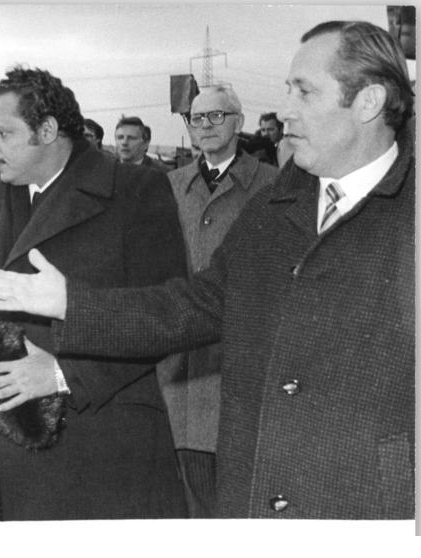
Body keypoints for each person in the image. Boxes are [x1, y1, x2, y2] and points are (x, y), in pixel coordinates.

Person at [0, 21, 414, 519]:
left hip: (370, 510)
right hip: (258, 501)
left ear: (369, 102)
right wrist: (71, 304)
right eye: (288, 89)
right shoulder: (274, 207)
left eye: (304, 91)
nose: (285, 109)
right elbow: (196, 305)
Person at [0, 66, 188, 520]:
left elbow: (165, 314)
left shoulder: (134, 193)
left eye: (2, 132)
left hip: (94, 445)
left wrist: (60, 374)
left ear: (47, 130)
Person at [167, 85, 279, 517]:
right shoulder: (171, 185)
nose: (207, 126)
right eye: (198, 119)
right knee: (190, 493)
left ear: (239, 122)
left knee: (240, 493)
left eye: (218, 116)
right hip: (181, 362)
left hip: (243, 355)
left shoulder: (272, 185)